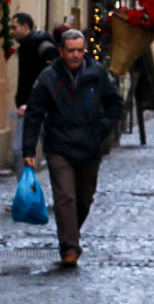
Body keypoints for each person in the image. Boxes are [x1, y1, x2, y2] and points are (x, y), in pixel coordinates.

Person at [22, 28, 124, 267]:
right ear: (61, 52)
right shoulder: (49, 77)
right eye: (71, 51)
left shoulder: (97, 74)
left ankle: (70, 232)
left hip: (89, 146)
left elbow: (115, 104)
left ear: (85, 51)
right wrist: (29, 150)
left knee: (84, 198)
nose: (76, 55)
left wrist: (100, 129)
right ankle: (69, 247)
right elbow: (34, 114)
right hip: (59, 145)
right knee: (65, 196)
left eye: (80, 50)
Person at [10, 13, 57, 179]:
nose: (12, 32)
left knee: (47, 151)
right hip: (28, 107)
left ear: (26, 27)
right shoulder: (26, 47)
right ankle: (26, 195)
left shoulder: (42, 45)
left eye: (14, 27)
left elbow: (50, 75)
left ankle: (59, 195)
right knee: (22, 151)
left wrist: (33, 101)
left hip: (40, 107)